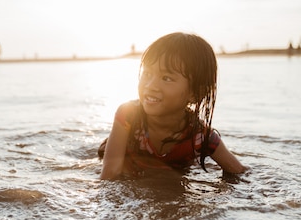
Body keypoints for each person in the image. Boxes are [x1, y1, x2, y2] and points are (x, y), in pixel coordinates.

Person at [99, 32, 246, 179]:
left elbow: (238, 171)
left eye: (166, 78)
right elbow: (110, 174)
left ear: (195, 93)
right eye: (147, 74)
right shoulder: (128, 115)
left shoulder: (201, 137)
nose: (150, 86)